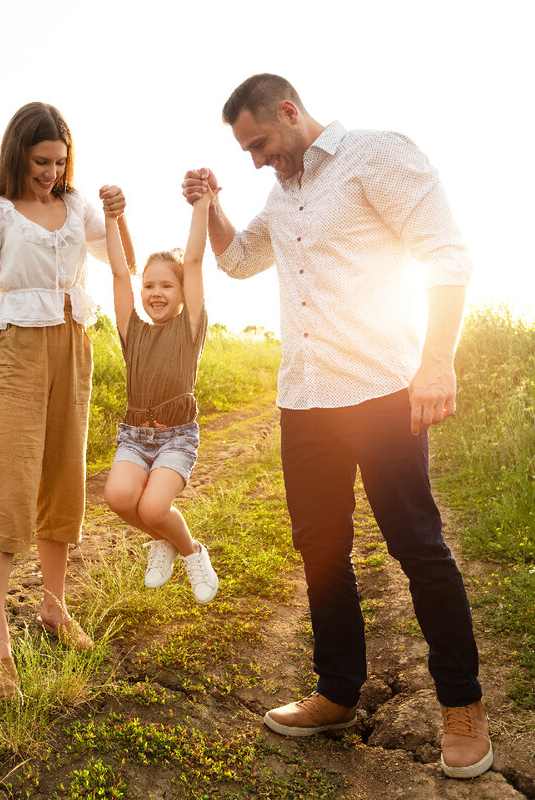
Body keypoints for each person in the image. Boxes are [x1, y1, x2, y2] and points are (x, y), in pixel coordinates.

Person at [182, 74, 491, 779]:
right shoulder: (279, 191)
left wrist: (436, 360)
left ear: (289, 111)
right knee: (320, 550)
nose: (256, 159)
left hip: (383, 390)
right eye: (246, 152)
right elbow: (236, 261)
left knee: (417, 546)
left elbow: (447, 253)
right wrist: (214, 204)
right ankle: (337, 691)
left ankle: (462, 708)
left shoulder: (377, 154)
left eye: (259, 143)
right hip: (306, 399)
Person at [0, 102, 128, 700]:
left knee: (62, 480)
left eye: (60, 161)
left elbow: (117, 260)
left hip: (75, 347)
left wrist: (116, 216)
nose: (51, 173)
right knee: (10, 484)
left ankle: (54, 609)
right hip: (18, 351)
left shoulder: (76, 207)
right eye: (41, 162)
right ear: (17, 155)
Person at [98, 182, 219, 604]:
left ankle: (191, 552)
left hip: (177, 437)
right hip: (135, 436)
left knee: (151, 509)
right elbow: (118, 273)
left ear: (184, 294)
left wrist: (202, 204)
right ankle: (165, 540)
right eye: (149, 285)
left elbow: (196, 260)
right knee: (118, 497)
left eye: (167, 286)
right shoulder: (132, 331)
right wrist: (112, 219)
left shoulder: (190, 329)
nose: (155, 293)